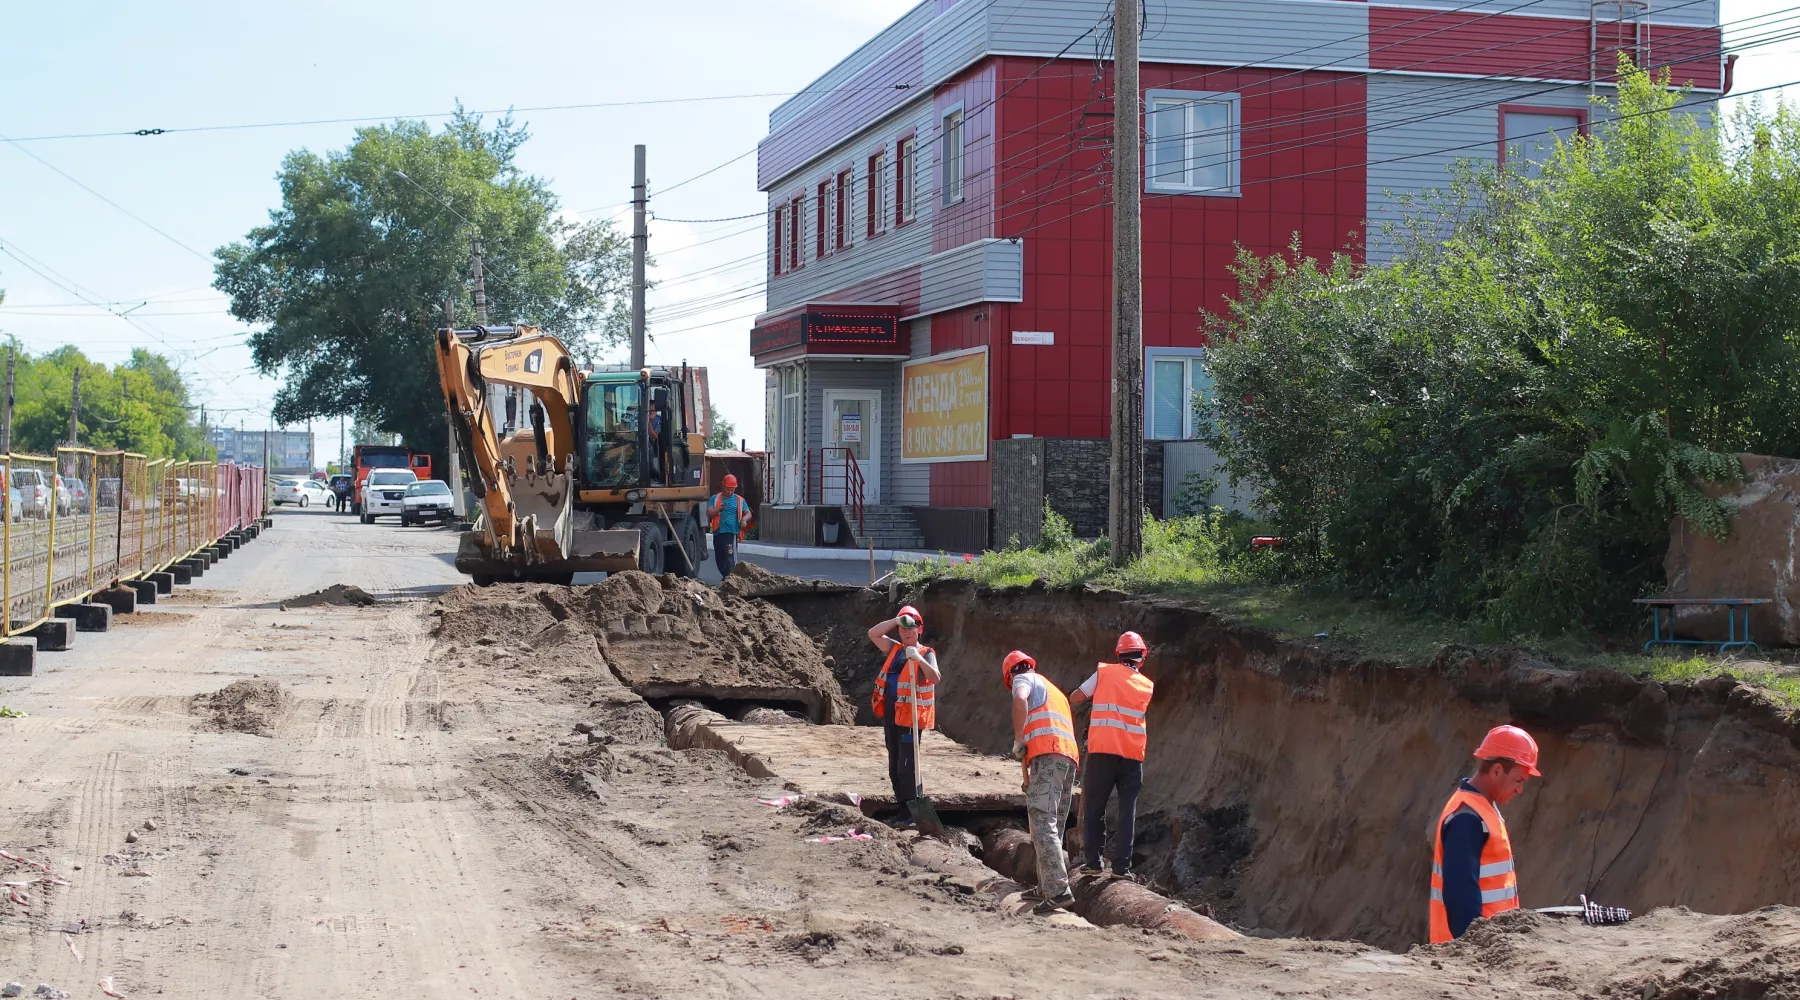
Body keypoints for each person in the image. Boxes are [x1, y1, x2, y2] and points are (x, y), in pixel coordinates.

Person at [1429, 724, 1542, 943]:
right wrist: (1476, 949)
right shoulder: (1467, 818)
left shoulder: (1481, 809)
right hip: (1470, 953)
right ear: (1497, 770)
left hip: (1488, 945)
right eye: (1518, 780)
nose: (1520, 790)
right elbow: (1460, 897)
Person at [1068, 630, 1154, 881]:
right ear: (1142, 658)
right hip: (1131, 756)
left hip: (1103, 752)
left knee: (1095, 809)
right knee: (1128, 811)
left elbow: (1076, 697)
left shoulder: (1104, 672)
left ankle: (1094, 863)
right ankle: (1121, 869)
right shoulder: (1146, 685)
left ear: (1118, 654)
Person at [1003, 649, 1080, 915]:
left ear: (1011, 672)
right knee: (1053, 825)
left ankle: (1058, 889)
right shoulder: (1054, 689)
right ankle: (1046, 885)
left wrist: (1019, 739)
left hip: (1048, 755)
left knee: (1042, 820)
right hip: (1068, 757)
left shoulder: (1023, 679)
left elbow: (1019, 699)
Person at [867, 606, 939, 826]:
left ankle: (912, 813)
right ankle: (903, 810)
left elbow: (935, 677)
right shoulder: (895, 650)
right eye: (903, 629)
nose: (907, 633)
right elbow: (873, 634)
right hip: (891, 714)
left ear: (919, 630)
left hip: (910, 719)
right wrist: (897, 619)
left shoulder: (927, 653)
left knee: (907, 766)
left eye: (912, 628)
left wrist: (917, 658)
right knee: (894, 765)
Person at [706, 474, 755, 578]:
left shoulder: (739, 500)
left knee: (730, 556)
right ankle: (725, 576)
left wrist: (744, 519)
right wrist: (718, 509)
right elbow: (709, 513)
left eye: (732, 490)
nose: (730, 492)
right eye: (728, 489)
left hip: (731, 532)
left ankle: (731, 578)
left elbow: (748, 513)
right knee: (719, 556)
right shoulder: (715, 498)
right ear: (723, 487)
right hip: (718, 532)